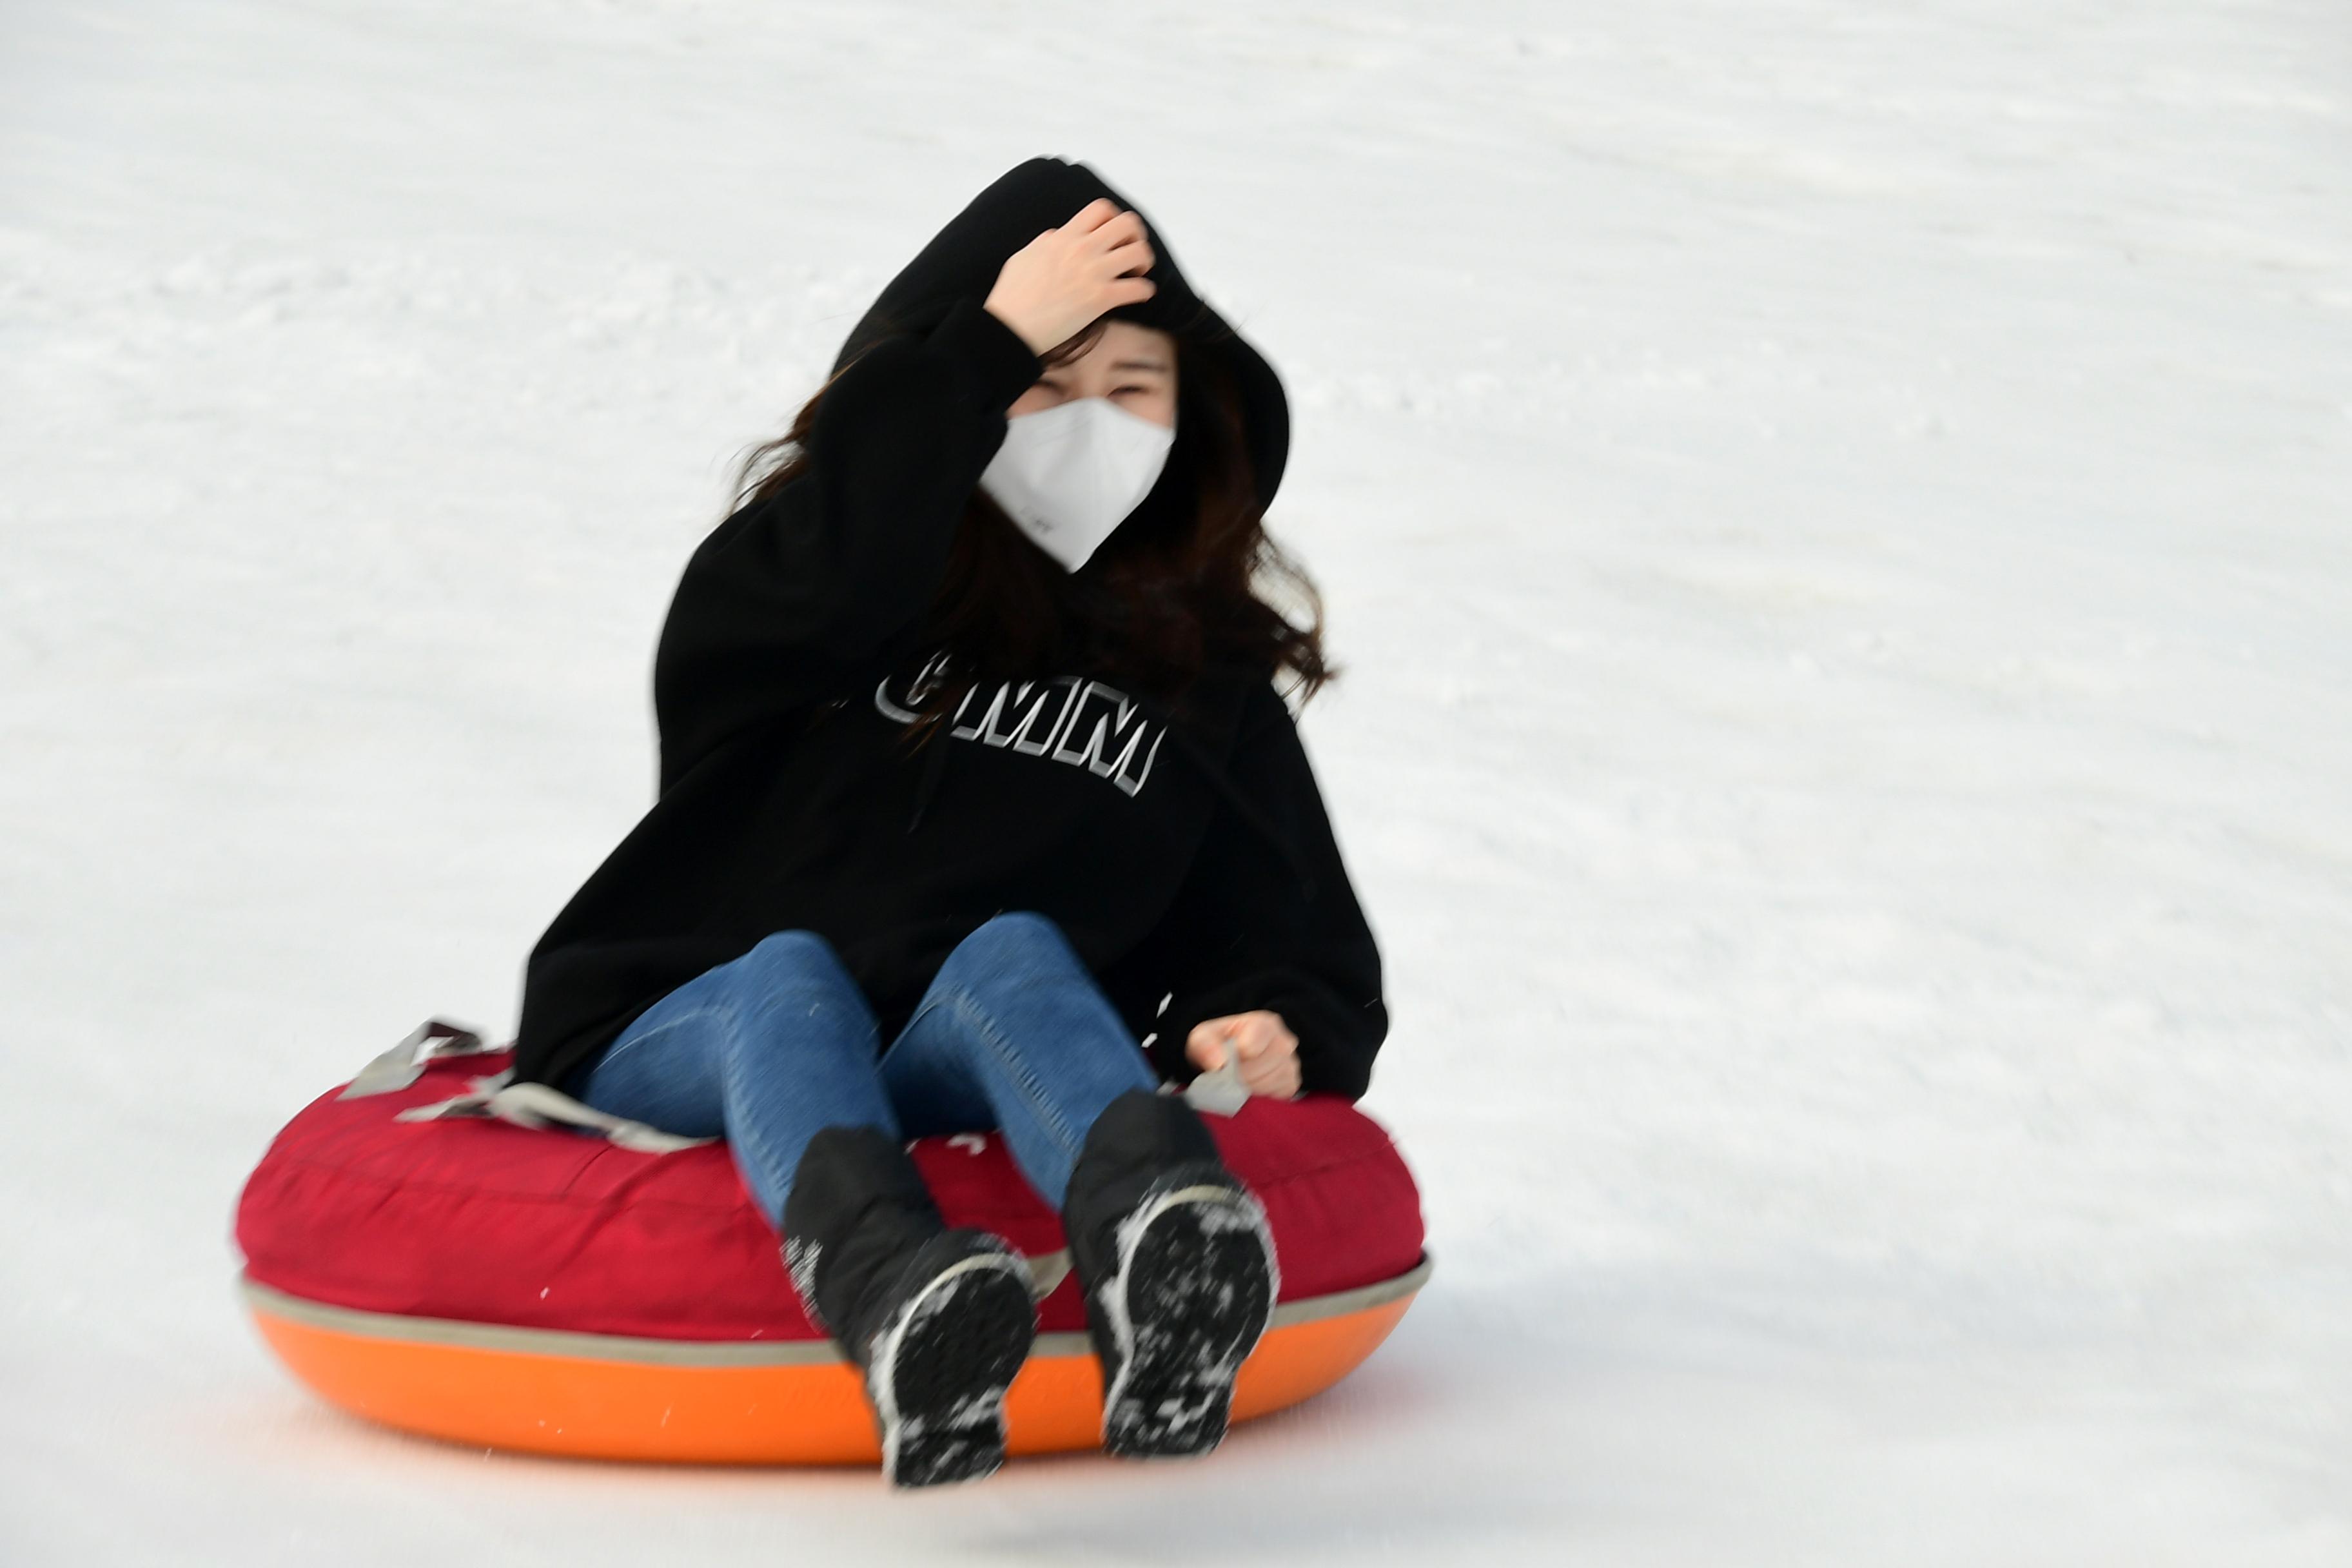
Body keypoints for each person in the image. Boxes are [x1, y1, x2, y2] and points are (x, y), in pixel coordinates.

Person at [510, 157, 1388, 1488]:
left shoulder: (1202, 691)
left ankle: (1168, 1257)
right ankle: (895, 1295)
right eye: (1046, 380)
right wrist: (984, 344)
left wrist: (1265, 1019)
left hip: (928, 1058)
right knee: (786, 976)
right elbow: (847, 527)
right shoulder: (816, 589)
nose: (1088, 422)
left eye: (1131, 390)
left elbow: (1288, 937)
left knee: (1014, 954)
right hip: (683, 1026)